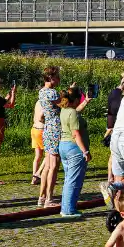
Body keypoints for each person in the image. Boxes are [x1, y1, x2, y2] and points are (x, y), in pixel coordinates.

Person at [58, 87, 93, 217]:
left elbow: (75, 112)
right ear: (77, 99)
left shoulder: (65, 110)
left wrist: (86, 102)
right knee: (73, 181)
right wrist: (85, 151)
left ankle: (68, 206)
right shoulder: (72, 113)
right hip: (74, 148)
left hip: (63, 146)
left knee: (68, 179)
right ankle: (67, 210)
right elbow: (76, 134)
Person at [37, 67, 64, 208]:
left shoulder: (41, 91)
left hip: (47, 128)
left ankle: (42, 196)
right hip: (55, 128)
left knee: (47, 165)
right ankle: (49, 198)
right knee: (54, 165)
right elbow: (64, 104)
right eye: (57, 77)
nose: (59, 80)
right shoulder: (52, 92)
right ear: (51, 77)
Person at [104, 72, 124, 150]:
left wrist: (109, 128)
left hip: (113, 125)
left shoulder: (113, 93)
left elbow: (110, 111)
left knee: (114, 155)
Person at [30, 97, 46, 187]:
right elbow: (41, 117)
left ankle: (34, 178)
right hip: (41, 130)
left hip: (34, 129)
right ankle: (38, 173)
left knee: (38, 156)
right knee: (48, 154)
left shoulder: (38, 102)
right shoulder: (46, 102)